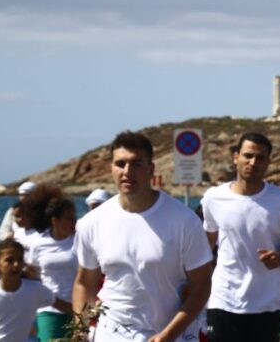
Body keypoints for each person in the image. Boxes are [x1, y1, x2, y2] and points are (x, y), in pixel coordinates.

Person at [73, 131, 213, 342]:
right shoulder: (92, 222)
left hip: (171, 334)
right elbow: (85, 283)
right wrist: (80, 332)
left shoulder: (184, 221)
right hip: (111, 333)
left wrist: (169, 334)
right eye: (120, 164)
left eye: (137, 163)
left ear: (151, 169)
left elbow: (202, 285)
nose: (127, 171)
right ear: (111, 168)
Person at [201, 132, 280, 342]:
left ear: (268, 162)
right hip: (223, 300)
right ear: (235, 157)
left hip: (267, 303)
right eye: (248, 155)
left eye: (260, 157)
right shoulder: (213, 198)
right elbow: (205, 247)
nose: (253, 162)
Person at [22, 185, 78, 342]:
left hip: (78, 308)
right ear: (55, 220)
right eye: (70, 219)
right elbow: (31, 274)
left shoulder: (79, 241)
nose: (74, 222)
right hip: (49, 308)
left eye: (75, 218)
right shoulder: (38, 243)